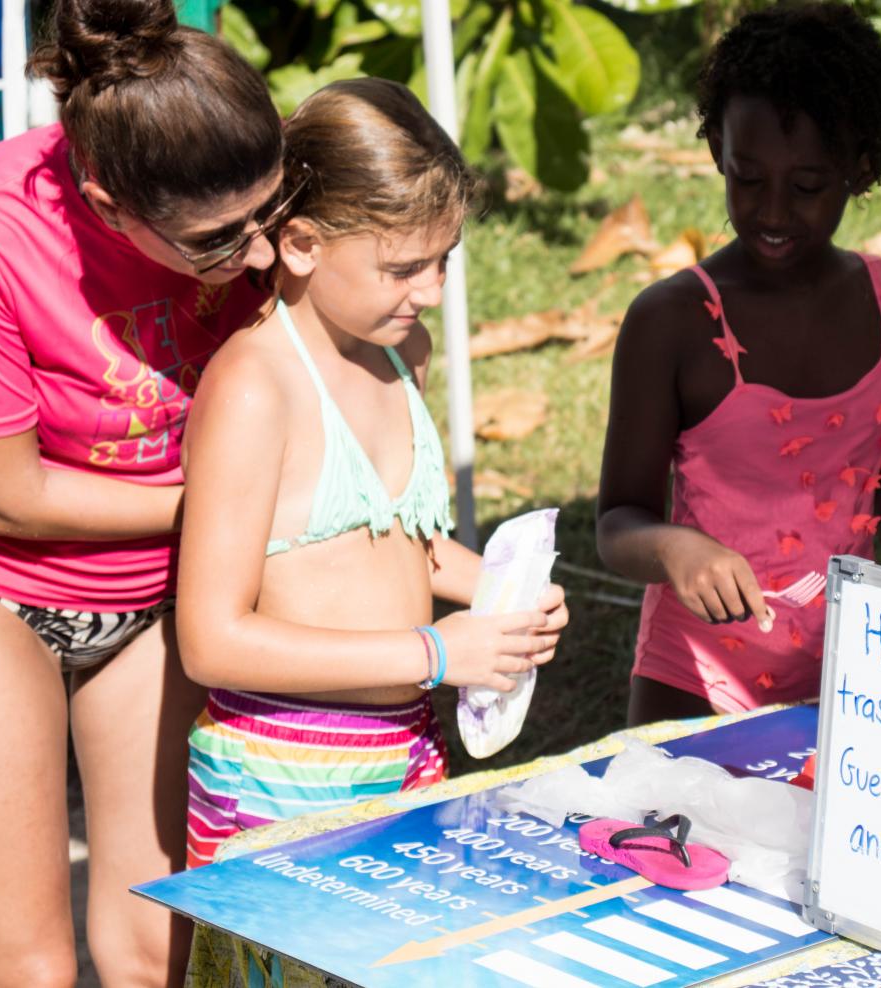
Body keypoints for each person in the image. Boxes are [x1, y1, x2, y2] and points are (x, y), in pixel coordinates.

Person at [0, 0, 286, 982]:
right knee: (25, 961)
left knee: (155, 947)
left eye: (270, 214)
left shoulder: (242, 185)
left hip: (152, 599)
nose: (260, 257)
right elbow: (6, 494)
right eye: (217, 241)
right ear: (105, 204)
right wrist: (224, 507)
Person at [176, 77, 568, 867]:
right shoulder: (257, 387)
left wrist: (502, 594)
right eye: (403, 268)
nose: (432, 291)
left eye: (444, 260)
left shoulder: (401, 354)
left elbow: (389, 540)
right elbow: (210, 641)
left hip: (406, 750)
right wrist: (434, 653)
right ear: (303, 245)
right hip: (280, 773)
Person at [597, 2, 881, 727]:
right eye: (747, 178)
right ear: (716, 149)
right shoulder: (673, 320)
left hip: (848, 665)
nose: (773, 211)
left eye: (807, 187)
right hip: (696, 670)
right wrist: (675, 546)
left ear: (859, 169)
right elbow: (618, 521)